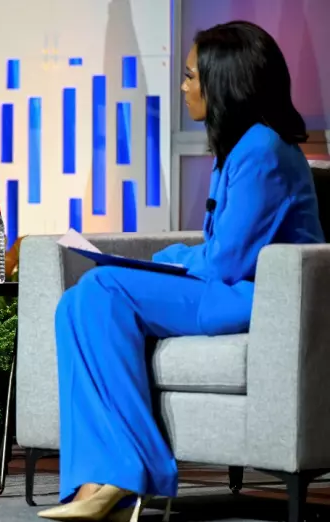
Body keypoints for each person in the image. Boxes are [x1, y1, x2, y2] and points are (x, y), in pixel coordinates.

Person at [37, 21, 324, 521]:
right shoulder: (240, 147)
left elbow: (225, 261)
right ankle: (103, 478)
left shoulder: (262, 151)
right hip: (227, 288)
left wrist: (165, 259)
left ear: (223, 81)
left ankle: (129, 474)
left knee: (102, 286)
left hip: (253, 297)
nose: (185, 86)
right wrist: (168, 260)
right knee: (79, 301)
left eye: (192, 75)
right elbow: (219, 249)